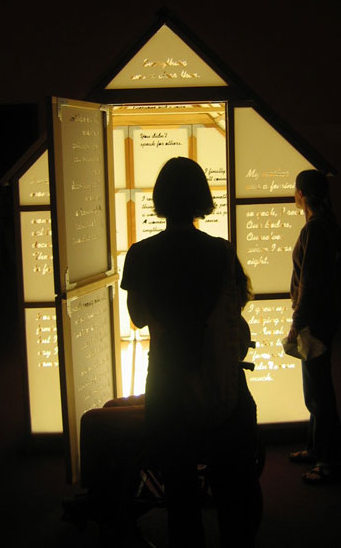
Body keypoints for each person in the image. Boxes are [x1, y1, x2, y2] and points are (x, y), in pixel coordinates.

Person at [121, 157, 261, 548]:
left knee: (180, 494)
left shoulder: (140, 253)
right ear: (202, 197)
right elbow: (238, 305)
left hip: (167, 383)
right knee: (233, 488)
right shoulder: (220, 251)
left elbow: (137, 317)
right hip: (222, 381)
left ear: (160, 198)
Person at [287, 169, 341, 483]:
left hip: (314, 321)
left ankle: (329, 461)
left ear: (301, 194)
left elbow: (308, 282)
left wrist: (297, 323)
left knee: (318, 392)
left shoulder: (313, 230)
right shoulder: (325, 226)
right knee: (316, 386)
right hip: (324, 317)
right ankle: (316, 447)